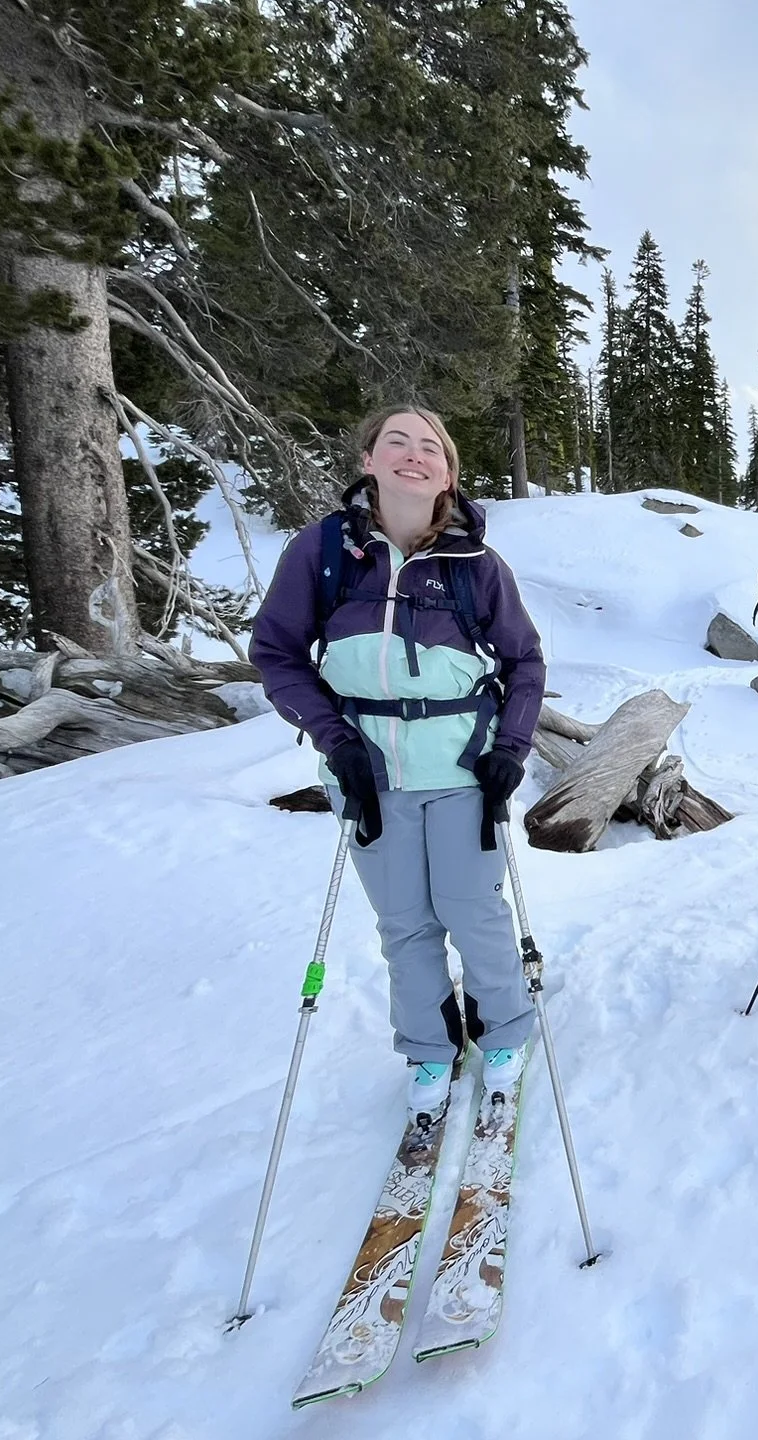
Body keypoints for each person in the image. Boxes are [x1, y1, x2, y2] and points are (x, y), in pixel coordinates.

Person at [251, 406, 547, 1112]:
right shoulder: (323, 552)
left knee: (471, 907)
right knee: (404, 921)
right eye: (397, 443)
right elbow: (277, 654)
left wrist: (510, 750)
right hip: (368, 774)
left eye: (429, 449)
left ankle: (503, 1029)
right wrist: (335, 739)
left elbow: (525, 661)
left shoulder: (475, 563)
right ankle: (427, 1048)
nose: (413, 457)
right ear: (369, 460)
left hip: (460, 768)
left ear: (447, 473)